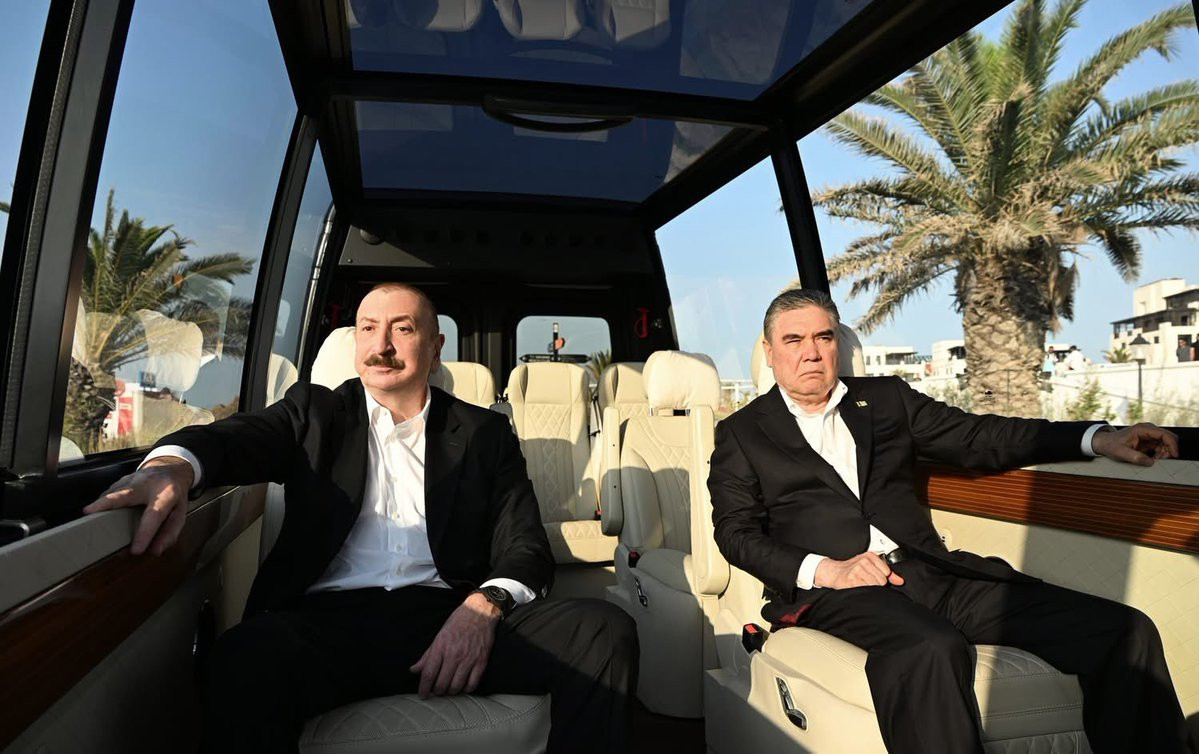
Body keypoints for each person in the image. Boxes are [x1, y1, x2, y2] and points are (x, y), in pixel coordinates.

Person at [83, 283, 637, 754]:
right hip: (329, 627)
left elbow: (526, 547)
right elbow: (235, 439)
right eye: (368, 328)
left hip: (447, 618)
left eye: (402, 329)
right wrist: (175, 466)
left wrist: (482, 608)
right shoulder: (315, 413)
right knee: (241, 659)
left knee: (602, 631)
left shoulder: (484, 434)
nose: (381, 346)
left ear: (435, 347)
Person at [708, 288, 1191, 754]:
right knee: (932, 648)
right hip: (838, 592)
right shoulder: (742, 433)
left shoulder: (887, 399)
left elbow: (979, 436)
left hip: (934, 572)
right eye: (794, 340)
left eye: (824, 337)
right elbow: (735, 532)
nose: (811, 352)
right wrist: (829, 570)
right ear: (770, 352)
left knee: (1122, 629)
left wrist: (1097, 438)